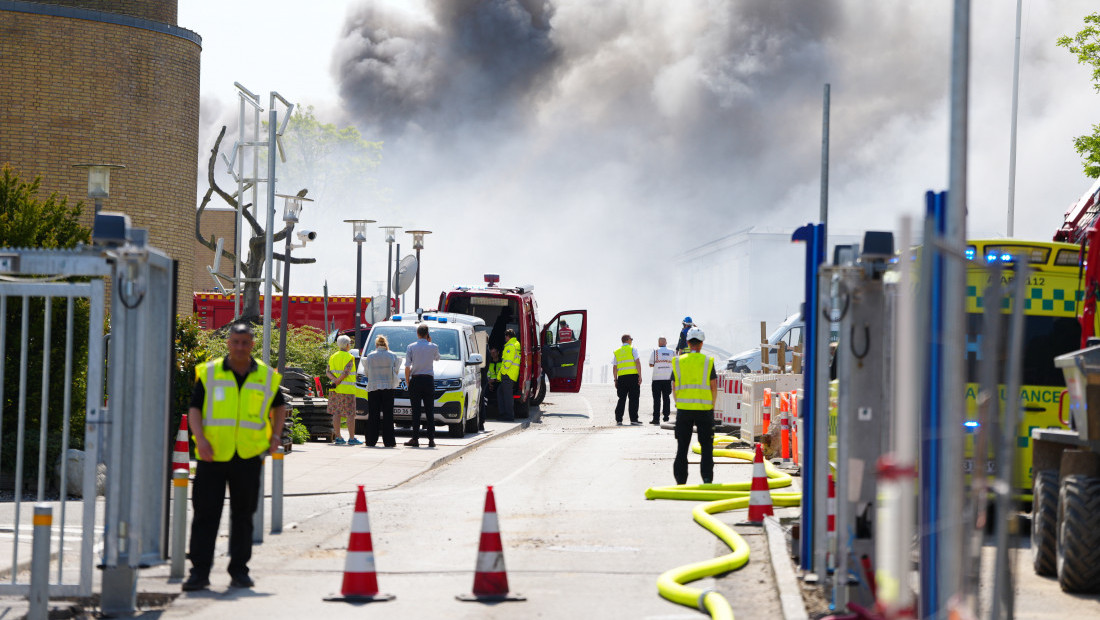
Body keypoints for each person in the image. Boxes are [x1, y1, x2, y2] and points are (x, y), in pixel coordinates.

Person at [183, 321, 286, 591]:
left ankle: (239, 570)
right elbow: (194, 410)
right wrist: (200, 440)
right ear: (228, 344)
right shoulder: (210, 372)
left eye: (245, 343)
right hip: (212, 455)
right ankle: (199, 572)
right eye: (235, 342)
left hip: (248, 455)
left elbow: (279, 407)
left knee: (243, 515)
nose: (240, 347)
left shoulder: (265, 376)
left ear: (252, 345)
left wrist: (275, 437)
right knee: (205, 514)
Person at [672, 326, 718, 485]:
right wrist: (712, 406)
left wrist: (679, 403)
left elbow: (674, 386)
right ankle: (706, 480)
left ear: (687, 342)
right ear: (702, 343)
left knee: (682, 448)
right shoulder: (707, 361)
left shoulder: (678, 361)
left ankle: (680, 482)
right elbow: (713, 386)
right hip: (704, 411)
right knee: (706, 448)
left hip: (684, 410)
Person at [405, 323, 440, 448]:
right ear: (427, 334)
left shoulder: (411, 347)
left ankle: (415, 438)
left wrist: (408, 382)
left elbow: (407, 366)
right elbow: (437, 358)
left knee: (416, 411)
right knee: (429, 410)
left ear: (418, 334)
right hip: (428, 380)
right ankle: (431, 439)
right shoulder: (433, 346)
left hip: (416, 380)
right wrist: (430, 342)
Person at [363, 335, 400, 447]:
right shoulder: (392, 355)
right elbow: (396, 371)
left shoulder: (370, 356)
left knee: (373, 414)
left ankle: (371, 440)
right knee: (388, 415)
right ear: (386, 344)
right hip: (388, 387)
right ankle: (389, 441)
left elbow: (366, 372)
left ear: (376, 345)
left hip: (373, 387)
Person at [327, 335, 359, 445]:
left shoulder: (333, 356)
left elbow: (327, 371)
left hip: (335, 390)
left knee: (336, 413)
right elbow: (346, 372)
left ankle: (339, 437)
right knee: (350, 414)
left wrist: (334, 380)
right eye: (350, 343)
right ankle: (351, 438)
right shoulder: (349, 357)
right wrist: (338, 381)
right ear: (347, 345)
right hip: (347, 389)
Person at [612, 334, 642, 426]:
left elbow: (614, 367)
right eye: (631, 339)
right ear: (628, 340)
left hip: (622, 378)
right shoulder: (633, 349)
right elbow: (637, 362)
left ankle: (619, 420)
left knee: (621, 399)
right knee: (634, 398)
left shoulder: (617, 351)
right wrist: (640, 376)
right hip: (633, 377)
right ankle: (633, 419)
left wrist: (615, 380)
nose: (632, 341)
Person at [650, 336, 675, 425]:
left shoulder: (655, 351)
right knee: (666, 398)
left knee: (656, 399)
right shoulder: (672, 352)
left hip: (656, 379)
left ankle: (656, 419)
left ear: (658, 343)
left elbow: (651, 364)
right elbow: (676, 364)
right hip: (668, 379)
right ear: (666, 342)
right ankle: (666, 417)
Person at [499, 329, 521, 421]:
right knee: (500, 393)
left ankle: (509, 416)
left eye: (505, 336)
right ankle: (504, 414)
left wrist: (503, 372)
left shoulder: (510, 346)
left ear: (508, 336)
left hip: (508, 374)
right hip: (512, 374)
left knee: (507, 396)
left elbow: (508, 362)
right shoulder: (516, 344)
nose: (505, 338)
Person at [480, 347, 502, 430]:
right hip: (490, 382)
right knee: (485, 394)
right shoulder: (490, 362)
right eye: (491, 353)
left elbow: (502, 373)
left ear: (498, 353)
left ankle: (500, 413)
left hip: (499, 382)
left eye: (494, 352)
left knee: (500, 393)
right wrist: (489, 382)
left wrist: (495, 380)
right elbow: (488, 373)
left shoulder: (501, 362)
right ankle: (484, 413)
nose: (493, 354)